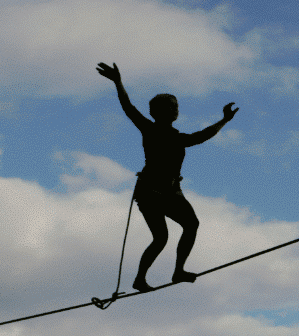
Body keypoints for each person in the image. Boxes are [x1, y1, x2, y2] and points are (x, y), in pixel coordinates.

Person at [95, 62, 238, 291]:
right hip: (151, 193)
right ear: (156, 112)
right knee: (162, 237)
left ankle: (177, 271)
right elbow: (128, 106)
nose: (175, 110)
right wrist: (118, 82)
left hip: (170, 192)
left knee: (190, 225)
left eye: (175, 107)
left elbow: (201, 136)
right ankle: (142, 278)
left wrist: (224, 121)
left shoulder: (177, 137)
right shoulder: (150, 129)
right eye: (171, 107)